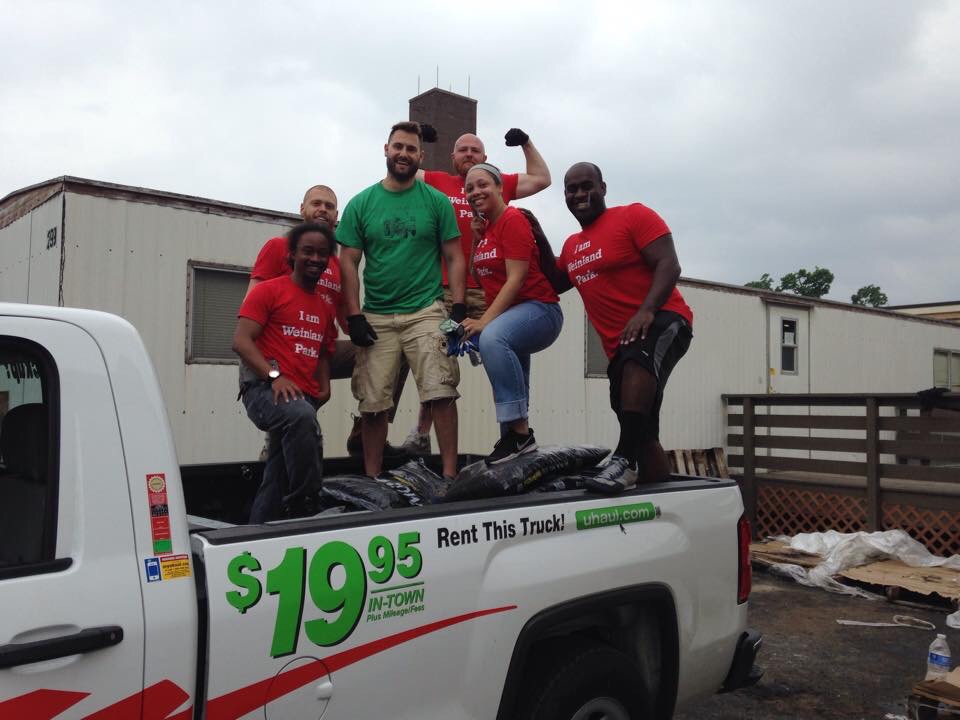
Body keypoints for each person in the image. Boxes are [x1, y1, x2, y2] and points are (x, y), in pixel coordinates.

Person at [537, 162, 693, 492]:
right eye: (572, 189)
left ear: (603, 188)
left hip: (664, 320)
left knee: (638, 361)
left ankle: (624, 459)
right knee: (639, 423)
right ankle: (657, 491)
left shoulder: (633, 216)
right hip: (621, 347)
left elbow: (669, 263)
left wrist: (646, 310)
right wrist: (533, 230)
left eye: (586, 185)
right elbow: (552, 280)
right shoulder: (571, 246)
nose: (579, 193)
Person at [401, 127, 552, 455]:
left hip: (492, 296)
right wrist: (418, 133)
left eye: (475, 150)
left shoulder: (498, 186)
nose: (469, 155)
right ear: (452, 158)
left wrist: (526, 142)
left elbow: (542, 178)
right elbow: (403, 164)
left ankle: (514, 435)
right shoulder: (439, 182)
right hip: (447, 292)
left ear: (486, 161)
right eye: (462, 150)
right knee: (438, 350)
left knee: (503, 349)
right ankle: (421, 433)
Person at [337, 121, 466, 480]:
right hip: (376, 315)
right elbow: (348, 260)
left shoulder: (436, 202)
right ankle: (373, 478)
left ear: (420, 156)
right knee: (374, 402)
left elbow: (455, 256)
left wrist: (457, 308)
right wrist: (354, 315)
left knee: (441, 390)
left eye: (411, 149)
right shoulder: (362, 203)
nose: (404, 154)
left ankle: (450, 476)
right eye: (398, 147)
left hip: (425, 311)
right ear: (386, 149)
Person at [245, 184, 405, 460]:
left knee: (393, 347)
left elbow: (346, 321)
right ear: (302, 209)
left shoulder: (335, 263)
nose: (322, 209)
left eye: (329, 206)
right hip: (278, 355)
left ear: (336, 217)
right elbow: (250, 308)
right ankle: (276, 445)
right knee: (296, 427)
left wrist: (386, 324)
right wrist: (271, 371)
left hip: (319, 353)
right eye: (316, 203)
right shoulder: (278, 247)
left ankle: (366, 428)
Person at [459, 162, 563, 464]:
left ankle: (520, 435)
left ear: (500, 187)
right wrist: (477, 239)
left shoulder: (513, 219)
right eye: (469, 188)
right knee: (510, 371)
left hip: (540, 310)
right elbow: (478, 277)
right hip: (513, 317)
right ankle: (512, 441)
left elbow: (517, 277)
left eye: (482, 184)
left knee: (492, 338)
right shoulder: (488, 229)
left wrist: (483, 321)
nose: (475, 192)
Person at [233, 221, 337, 521]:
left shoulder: (324, 306)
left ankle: (255, 535)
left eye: (322, 253)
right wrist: (274, 377)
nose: (315, 259)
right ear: (291, 255)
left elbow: (324, 349)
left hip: (301, 395)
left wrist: (324, 385)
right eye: (307, 252)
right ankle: (306, 501)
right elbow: (241, 341)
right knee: (302, 418)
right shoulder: (268, 290)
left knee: (276, 475)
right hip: (264, 391)